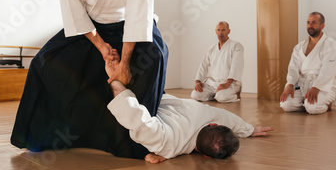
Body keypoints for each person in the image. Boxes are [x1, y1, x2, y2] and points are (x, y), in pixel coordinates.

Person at [10, 0, 168, 159]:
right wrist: (102, 47)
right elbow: (71, 4)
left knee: (156, 57)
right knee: (44, 62)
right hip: (90, 25)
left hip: (130, 22)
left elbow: (138, 8)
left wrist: (124, 62)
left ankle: (141, 143)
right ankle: (43, 136)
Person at [105, 59, 273, 163]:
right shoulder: (170, 146)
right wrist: (115, 81)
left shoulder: (208, 115)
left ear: (213, 124)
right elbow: (137, 120)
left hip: (151, 94)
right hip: (141, 98)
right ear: (205, 156)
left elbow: (228, 118)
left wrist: (249, 129)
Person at [279, 12, 336, 115]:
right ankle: (306, 102)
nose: (310, 26)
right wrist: (290, 84)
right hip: (303, 83)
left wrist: (316, 87)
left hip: (324, 84)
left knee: (313, 108)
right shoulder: (299, 47)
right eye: (308, 22)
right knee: (286, 105)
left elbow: (328, 70)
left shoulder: (331, 45)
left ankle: (323, 103)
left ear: (322, 26)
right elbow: (293, 68)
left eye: (314, 22)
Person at [191, 21, 244, 103]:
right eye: (218, 30)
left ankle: (236, 95)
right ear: (215, 31)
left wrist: (227, 83)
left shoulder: (236, 45)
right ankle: (215, 95)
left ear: (228, 31)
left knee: (221, 97)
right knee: (195, 95)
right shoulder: (212, 48)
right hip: (213, 83)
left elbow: (236, 65)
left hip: (230, 84)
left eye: (223, 30)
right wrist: (198, 81)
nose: (220, 33)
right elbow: (203, 65)